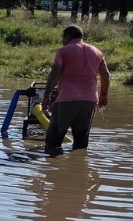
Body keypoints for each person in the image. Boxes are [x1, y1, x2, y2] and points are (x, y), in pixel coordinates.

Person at [42, 24, 109, 154]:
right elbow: (105, 75)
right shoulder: (96, 51)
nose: (62, 40)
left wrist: (46, 96)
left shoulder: (64, 51)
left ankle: (53, 169)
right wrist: (104, 95)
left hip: (67, 99)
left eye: (63, 37)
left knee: (53, 141)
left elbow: (55, 74)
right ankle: (79, 167)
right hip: (89, 100)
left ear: (67, 36)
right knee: (81, 143)